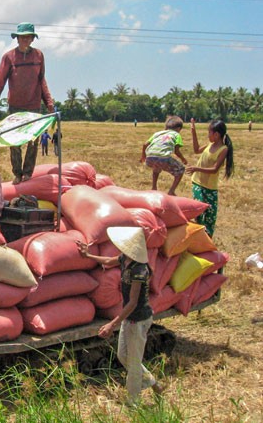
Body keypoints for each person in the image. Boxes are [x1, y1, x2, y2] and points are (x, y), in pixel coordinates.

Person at [77, 227, 164, 406]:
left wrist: (112, 324)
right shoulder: (126, 259)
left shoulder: (139, 270)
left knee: (133, 363)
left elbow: (132, 302)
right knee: (123, 356)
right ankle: (153, 383)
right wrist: (89, 256)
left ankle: (134, 403)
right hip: (129, 318)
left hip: (139, 320)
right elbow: (109, 260)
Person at [0, 22, 55, 184]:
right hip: (15, 106)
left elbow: (41, 80)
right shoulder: (9, 57)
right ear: (17, 39)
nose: (25, 40)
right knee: (14, 141)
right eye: (22, 37)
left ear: (32, 39)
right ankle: (17, 173)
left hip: (34, 106)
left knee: (33, 141)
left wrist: (49, 102)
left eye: (28, 37)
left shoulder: (38, 56)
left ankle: (28, 173)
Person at [185, 119, 234, 237]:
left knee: (210, 218)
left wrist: (196, 168)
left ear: (216, 135)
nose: (208, 135)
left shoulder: (223, 149)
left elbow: (214, 169)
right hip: (198, 183)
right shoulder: (210, 145)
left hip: (210, 188)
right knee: (199, 213)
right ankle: (198, 237)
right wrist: (193, 130)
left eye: (209, 133)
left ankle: (207, 240)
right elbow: (196, 150)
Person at [140, 116, 187, 195]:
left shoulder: (157, 133)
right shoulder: (176, 135)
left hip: (150, 158)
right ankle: (171, 191)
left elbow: (145, 145)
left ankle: (154, 187)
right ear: (179, 128)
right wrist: (183, 159)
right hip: (163, 158)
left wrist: (143, 156)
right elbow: (176, 151)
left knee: (156, 167)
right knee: (181, 169)